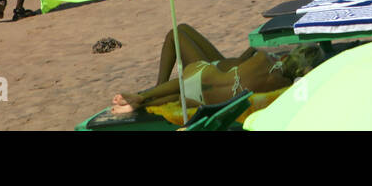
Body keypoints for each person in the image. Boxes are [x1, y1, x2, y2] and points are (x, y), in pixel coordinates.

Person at [110, 26, 323, 117]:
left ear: (287, 55)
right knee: (182, 95)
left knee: (178, 32)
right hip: (204, 100)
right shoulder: (281, 85)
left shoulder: (263, 57)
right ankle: (143, 104)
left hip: (201, 73)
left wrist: (251, 51)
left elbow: (234, 63)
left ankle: (147, 93)